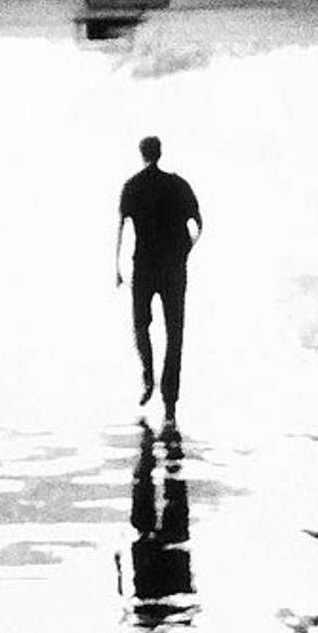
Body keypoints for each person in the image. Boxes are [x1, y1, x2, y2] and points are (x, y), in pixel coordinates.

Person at [115, 135, 202, 424]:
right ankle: (170, 398)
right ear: (160, 153)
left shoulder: (133, 185)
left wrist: (116, 268)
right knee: (175, 331)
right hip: (173, 268)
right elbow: (198, 223)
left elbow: (121, 228)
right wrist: (186, 249)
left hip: (144, 266)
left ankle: (148, 376)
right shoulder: (177, 185)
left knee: (141, 324)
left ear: (142, 154)